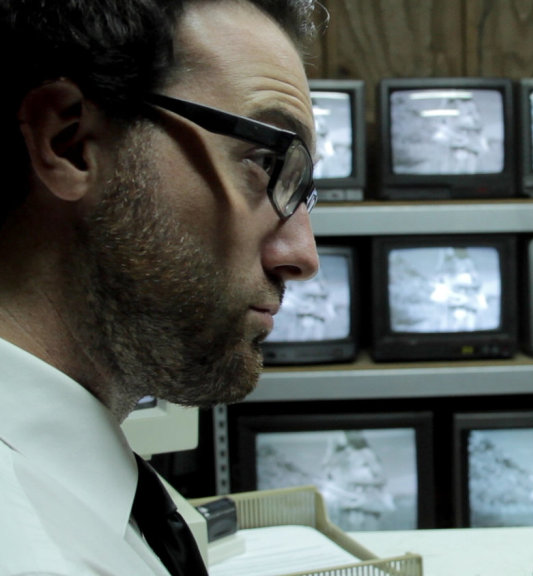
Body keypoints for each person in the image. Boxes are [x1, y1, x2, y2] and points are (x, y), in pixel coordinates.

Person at [0, 1, 323, 574]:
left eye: (303, 193)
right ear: (69, 143)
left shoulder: (105, 502)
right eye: (264, 161)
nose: (303, 256)